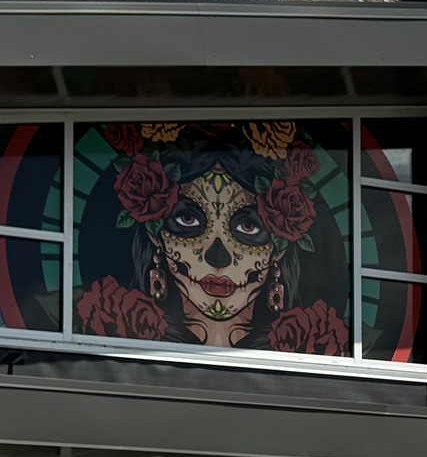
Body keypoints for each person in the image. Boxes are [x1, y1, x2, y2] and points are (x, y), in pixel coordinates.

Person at [78, 119, 348, 355]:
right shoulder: (119, 338)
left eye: (248, 227)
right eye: (188, 220)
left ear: (277, 249)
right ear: (157, 238)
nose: (218, 255)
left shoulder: (306, 352)